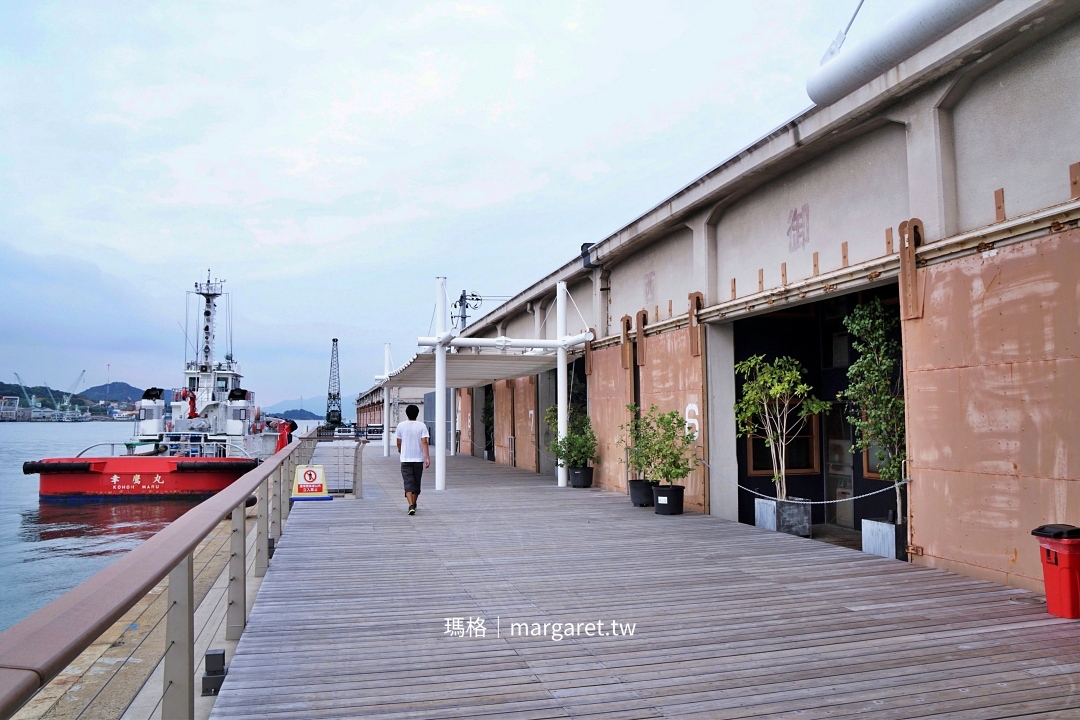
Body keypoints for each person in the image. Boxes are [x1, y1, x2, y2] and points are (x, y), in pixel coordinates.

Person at [394, 405, 430, 515]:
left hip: (405, 458)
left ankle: (410, 505)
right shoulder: (422, 426)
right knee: (416, 482)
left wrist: (400, 449)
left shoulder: (401, 425)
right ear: (417, 413)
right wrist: (427, 457)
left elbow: (398, 441)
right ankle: (413, 504)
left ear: (406, 413)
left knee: (408, 482)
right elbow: (424, 441)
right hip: (418, 459)